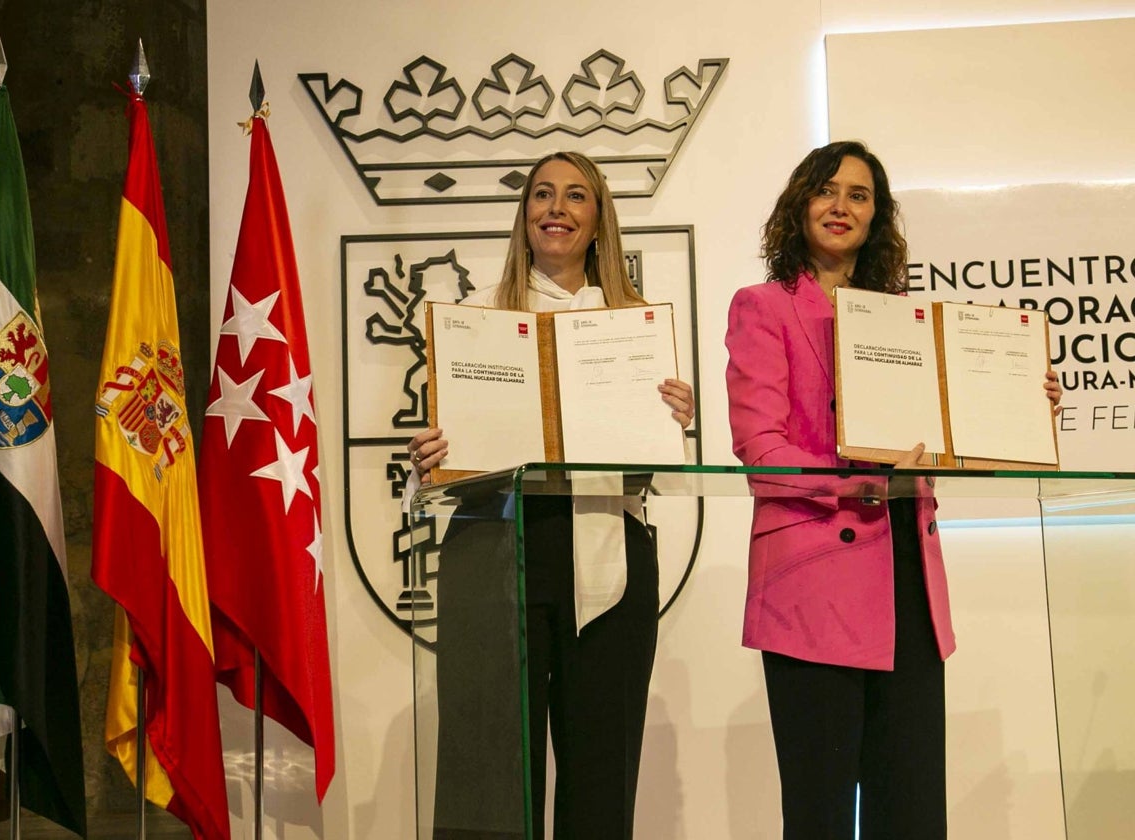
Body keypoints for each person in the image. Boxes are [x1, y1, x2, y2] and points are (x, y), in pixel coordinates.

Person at [724, 140, 1062, 839]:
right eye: (826, 190)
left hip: (906, 578)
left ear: (877, 216)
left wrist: (1024, 410)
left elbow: (952, 430)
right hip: (815, 582)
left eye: (859, 194)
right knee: (818, 814)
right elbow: (762, 451)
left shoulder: (906, 317)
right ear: (799, 204)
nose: (841, 205)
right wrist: (860, 480)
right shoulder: (763, 307)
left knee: (910, 812)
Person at [407, 150, 694, 840]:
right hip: (496, 552)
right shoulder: (474, 318)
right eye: (541, 195)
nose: (556, 209)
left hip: (609, 560)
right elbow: (444, 462)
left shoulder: (635, 325)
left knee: (600, 778)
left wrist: (672, 420)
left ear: (599, 221)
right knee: (491, 780)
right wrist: (430, 460)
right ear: (524, 215)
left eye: (574, 197)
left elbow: (649, 468)